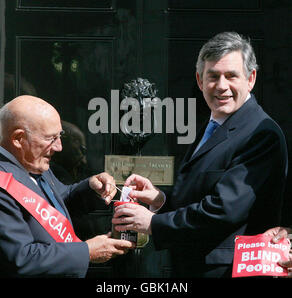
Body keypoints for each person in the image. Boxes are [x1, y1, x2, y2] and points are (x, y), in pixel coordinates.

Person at [112, 31, 289, 278]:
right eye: (213, 76)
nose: (221, 86)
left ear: (251, 78)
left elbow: (224, 209)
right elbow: (202, 191)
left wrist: (153, 223)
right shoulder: (214, 123)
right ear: (199, 80)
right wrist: (160, 199)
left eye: (231, 76)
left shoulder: (260, 133)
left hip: (229, 271)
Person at [0, 95, 134, 278]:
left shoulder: (31, 160)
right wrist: (86, 252)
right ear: (18, 138)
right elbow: (21, 259)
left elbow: (58, 200)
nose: (59, 147)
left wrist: (90, 188)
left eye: (60, 136)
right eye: (51, 139)